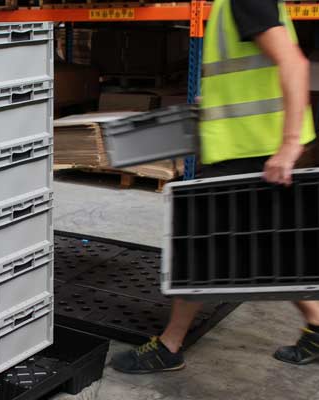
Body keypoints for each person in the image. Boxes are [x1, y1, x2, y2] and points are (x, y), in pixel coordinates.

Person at [111, 0, 319, 374]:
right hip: (245, 144)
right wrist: (214, 102)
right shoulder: (227, 5)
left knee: (200, 249)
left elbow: (294, 63)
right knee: (265, 247)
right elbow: (247, 71)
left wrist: (289, 144)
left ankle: (170, 346)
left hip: (255, 148)